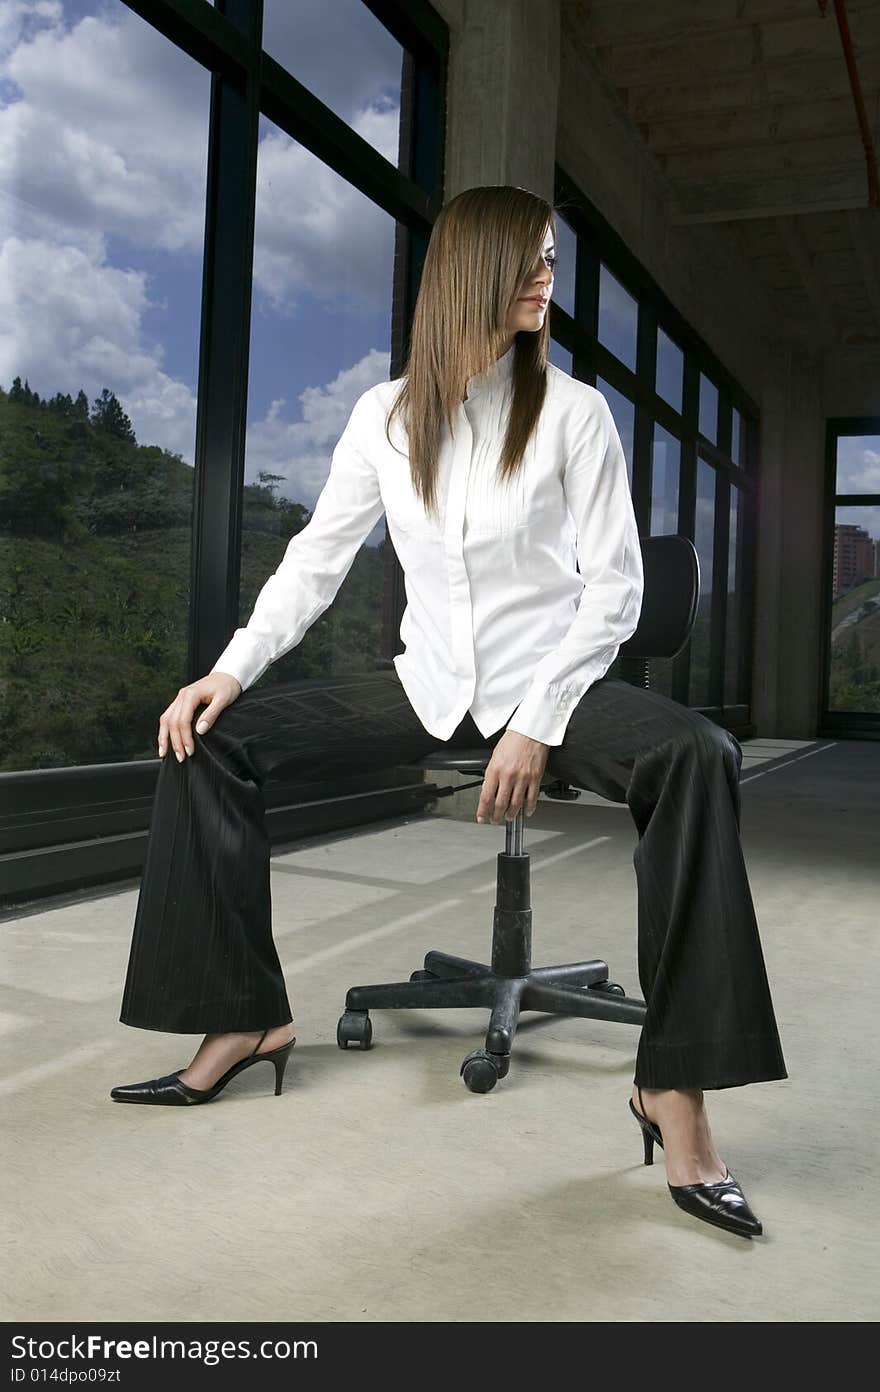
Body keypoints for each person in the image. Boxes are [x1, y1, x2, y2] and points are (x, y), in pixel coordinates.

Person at [111, 185, 786, 1240]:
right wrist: (230, 671)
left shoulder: (572, 413)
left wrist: (538, 721)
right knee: (207, 741)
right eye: (529, 263)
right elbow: (315, 561)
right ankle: (244, 1020)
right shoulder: (381, 418)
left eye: (552, 263)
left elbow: (614, 589)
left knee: (697, 755)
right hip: (429, 688)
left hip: (549, 684)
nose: (545, 282)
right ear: (470, 271)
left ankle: (677, 1097)